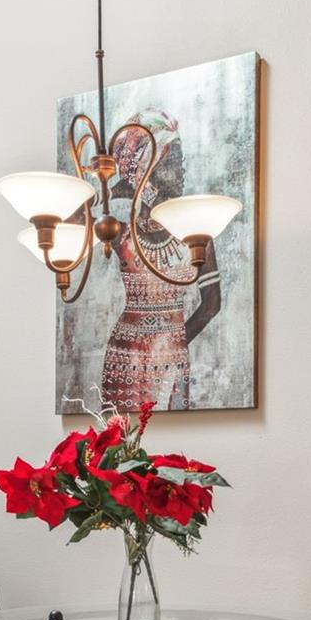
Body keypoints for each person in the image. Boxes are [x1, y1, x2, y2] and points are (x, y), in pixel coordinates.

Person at [97, 109, 223, 411]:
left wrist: (173, 343)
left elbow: (211, 304)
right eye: (171, 162)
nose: (181, 171)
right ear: (146, 172)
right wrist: (114, 189)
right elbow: (76, 219)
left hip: (171, 356)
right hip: (125, 356)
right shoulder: (120, 233)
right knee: (117, 436)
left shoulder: (197, 235)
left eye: (181, 161)